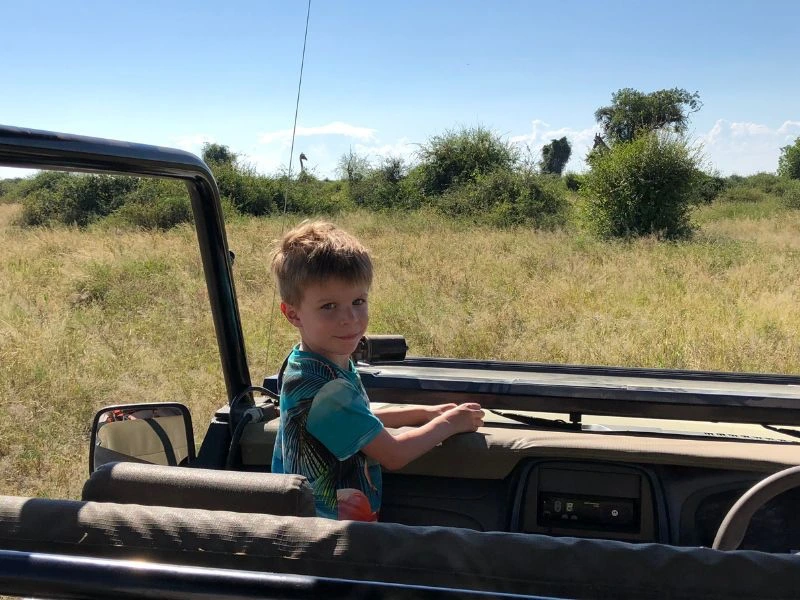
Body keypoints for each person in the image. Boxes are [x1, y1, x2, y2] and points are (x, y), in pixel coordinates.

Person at [269, 221, 484, 521]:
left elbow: (357, 420)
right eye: (329, 306)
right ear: (293, 314)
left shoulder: (313, 363)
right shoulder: (322, 387)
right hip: (326, 538)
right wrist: (448, 424)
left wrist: (421, 413)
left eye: (358, 301)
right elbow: (393, 454)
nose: (350, 318)